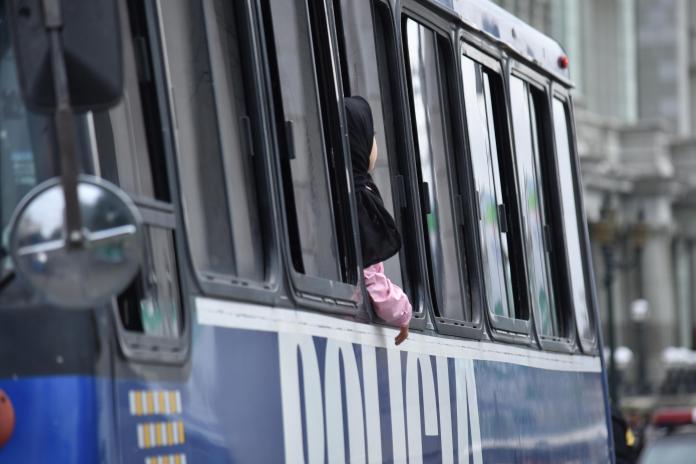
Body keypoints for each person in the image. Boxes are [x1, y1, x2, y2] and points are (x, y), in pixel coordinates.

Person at [344, 96, 412, 345]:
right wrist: (403, 312)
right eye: (371, 135)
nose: (375, 143)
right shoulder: (360, 201)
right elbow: (370, 281)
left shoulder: (337, 190)